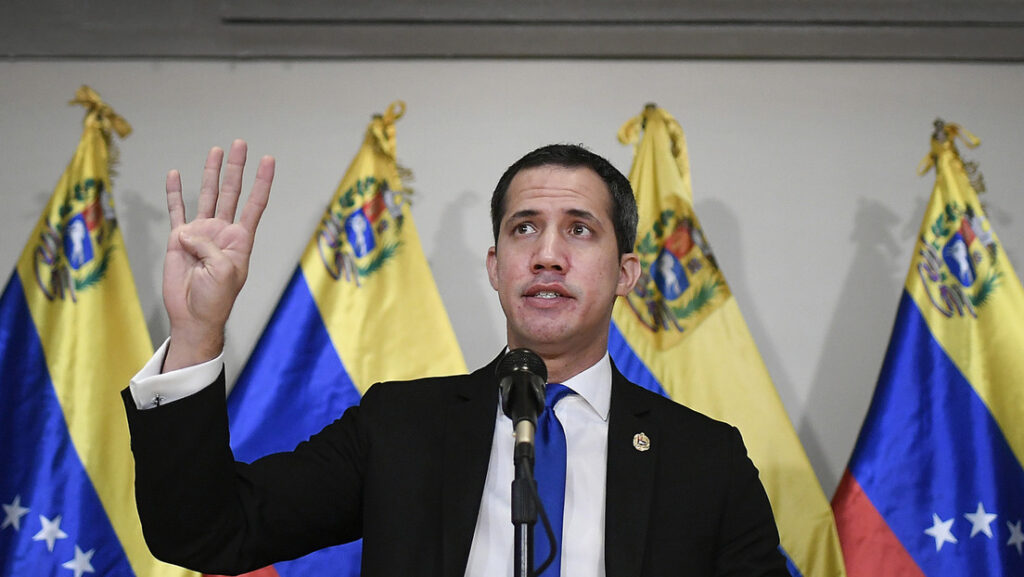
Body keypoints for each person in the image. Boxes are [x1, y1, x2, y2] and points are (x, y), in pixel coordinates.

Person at [122, 140, 788, 577]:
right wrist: (197, 331)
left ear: (626, 272)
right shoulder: (401, 427)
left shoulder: (705, 459)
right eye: (524, 227)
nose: (548, 253)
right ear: (496, 268)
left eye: (579, 230)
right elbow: (206, 534)